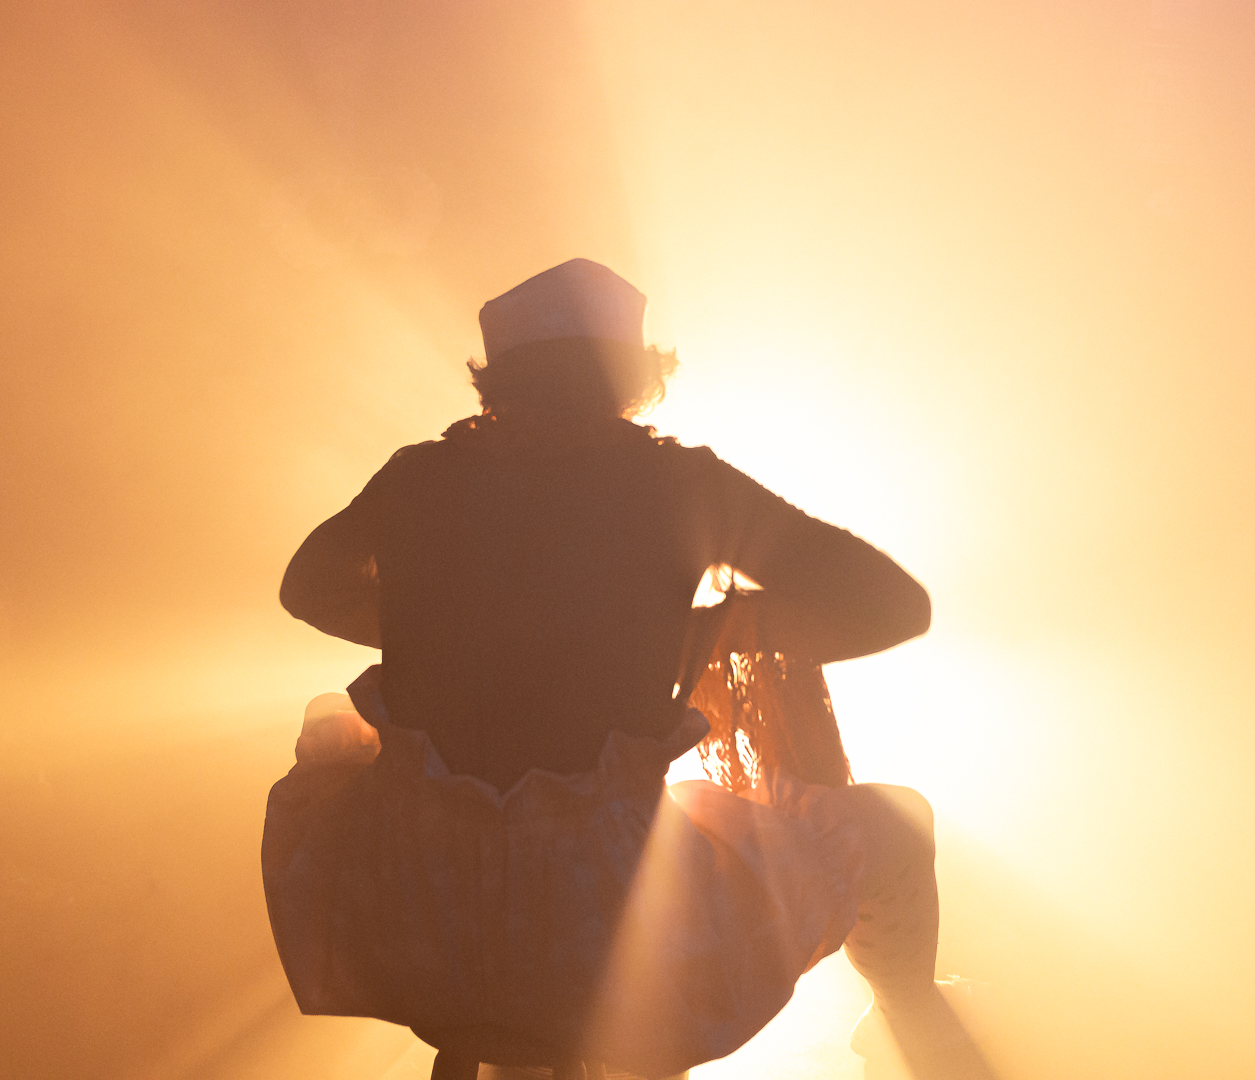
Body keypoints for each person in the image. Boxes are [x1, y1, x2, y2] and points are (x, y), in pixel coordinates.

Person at [263, 260, 996, 1080]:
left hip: (413, 919)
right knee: (899, 826)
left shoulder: (417, 478)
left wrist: (438, 635)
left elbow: (306, 589)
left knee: (358, 747)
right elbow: (891, 606)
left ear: (495, 376)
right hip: (599, 931)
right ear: (633, 375)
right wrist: (715, 632)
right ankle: (909, 1026)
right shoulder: (680, 487)